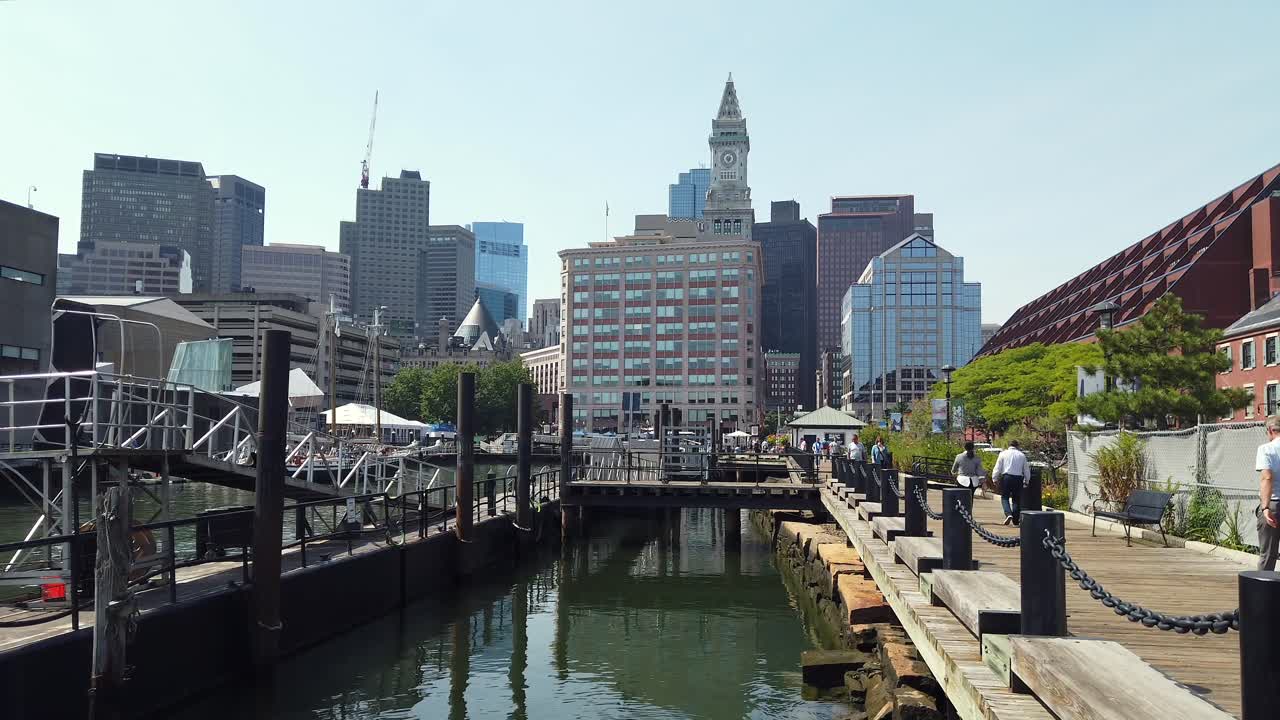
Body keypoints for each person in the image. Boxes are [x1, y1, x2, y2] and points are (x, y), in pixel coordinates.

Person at [1254, 415, 1280, 571]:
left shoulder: (1266, 449)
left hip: (1275, 505)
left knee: (1268, 555)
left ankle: (1262, 594)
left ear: (1270, 430)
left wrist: (1265, 508)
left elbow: (1267, 477)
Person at [992, 440, 1029, 525]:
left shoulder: (1003, 454)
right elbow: (1026, 469)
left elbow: (998, 467)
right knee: (1016, 499)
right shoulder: (1021, 455)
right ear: (1017, 446)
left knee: (1005, 497)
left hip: (1007, 477)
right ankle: (1016, 520)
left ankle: (1008, 514)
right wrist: (1027, 480)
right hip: (1018, 478)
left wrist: (994, 478)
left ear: (1009, 445)